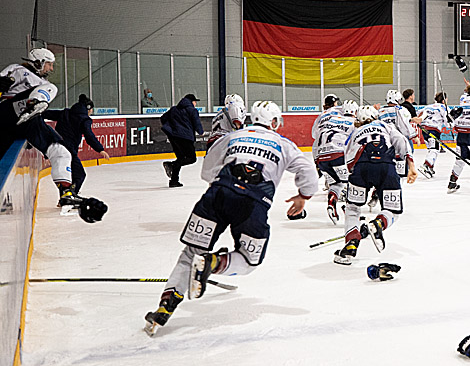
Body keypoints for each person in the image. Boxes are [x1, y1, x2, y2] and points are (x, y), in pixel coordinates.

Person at [143, 101, 317, 335]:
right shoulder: (284, 144)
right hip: (253, 203)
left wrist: (223, 188)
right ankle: (213, 263)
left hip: (217, 195)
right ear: (273, 122)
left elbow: (207, 170)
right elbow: (307, 171)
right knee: (248, 261)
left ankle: (165, 307)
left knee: (190, 254)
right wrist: (303, 196)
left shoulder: (233, 136)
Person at [0, 49, 83, 208]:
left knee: (60, 151)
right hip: (7, 112)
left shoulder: (42, 83)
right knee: (51, 87)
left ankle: (66, 192)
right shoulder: (18, 70)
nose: (51, 69)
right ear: (38, 62)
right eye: (49, 64)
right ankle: (34, 103)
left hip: (28, 120)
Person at [334, 104, 417, 265]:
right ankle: (379, 223)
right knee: (394, 211)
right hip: (386, 167)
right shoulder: (385, 126)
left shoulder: (355, 131)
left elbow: (348, 156)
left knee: (352, 208)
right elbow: (401, 141)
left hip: (361, 168)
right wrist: (411, 166)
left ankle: (350, 246)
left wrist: (355, 177)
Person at [43, 94, 110, 196]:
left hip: (54, 148)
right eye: (91, 109)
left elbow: (45, 114)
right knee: (79, 175)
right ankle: (70, 196)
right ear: (88, 108)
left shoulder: (65, 113)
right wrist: (100, 149)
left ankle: (64, 197)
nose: (91, 112)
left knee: (66, 175)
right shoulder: (84, 119)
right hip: (68, 150)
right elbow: (88, 135)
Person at [312, 97, 358, 223]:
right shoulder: (354, 123)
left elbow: (315, 137)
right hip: (338, 155)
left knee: (336, 184)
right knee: (352, 183)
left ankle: (332, 203)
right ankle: (349, 211)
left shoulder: (329, 120)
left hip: (322, 158)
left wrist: (316, 161)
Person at [161, 93, 203, 188]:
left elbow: (163, 118)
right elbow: (196, 123)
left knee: (181, 158)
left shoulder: (174, 109)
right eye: (195, 101)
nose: (196, 103)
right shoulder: (192, 110)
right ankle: (171, 164)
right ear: (192, 102)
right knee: (191, 158)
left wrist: (172, 128)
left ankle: (174, 181)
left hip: (174, 137)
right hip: (185, 137)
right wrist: (201, 132)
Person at [379, 90, 417, 178]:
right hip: (400, 139)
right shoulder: (401, 110)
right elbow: (405, 125)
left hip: (386, 140)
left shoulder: (380, 111)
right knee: (408, 152)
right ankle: (402, 172)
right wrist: (413, 135)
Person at [417, 92, 451, 178]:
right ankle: (426, 165)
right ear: (444, 100)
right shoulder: (444, 107)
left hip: (424, 130)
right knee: (434, 149)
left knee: (432, 149)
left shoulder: (428, 106)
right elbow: (448, 122)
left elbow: (419, 114)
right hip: (433, 130)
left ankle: (430, 167)